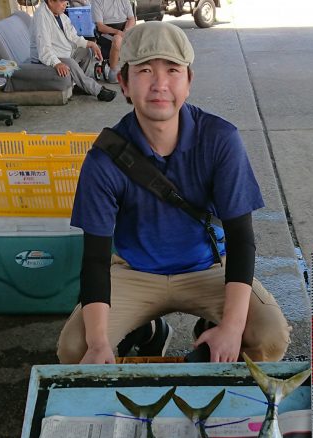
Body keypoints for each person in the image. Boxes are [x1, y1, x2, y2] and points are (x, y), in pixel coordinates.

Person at [57, 21, 291, 365]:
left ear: (189, 81)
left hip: (209, 266)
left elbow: (242, 239)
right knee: (74, 350)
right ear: (123, 82)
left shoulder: (220, 140)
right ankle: (149, 331)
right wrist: (96, 342)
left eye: (172, 70)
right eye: (145, 70)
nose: (160, 84)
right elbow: (94, 258)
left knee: (269, 338)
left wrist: (231, 326)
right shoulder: (103, 158)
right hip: (135, 270)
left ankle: (209, 329)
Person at [30, 0, 117, 102]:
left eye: (66, 1)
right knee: (71, 63)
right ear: (50, 1)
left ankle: (79, 86)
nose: (65, 4)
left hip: (62, 51)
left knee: (86, 51)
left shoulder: (60, 15)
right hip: (47, 56)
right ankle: (97, 91)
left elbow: (73, 37)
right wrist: (57, 63)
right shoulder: (41, 16)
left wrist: (91, 44)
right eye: (62, 1)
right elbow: (44, 49)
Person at [91, 0, 135, 84]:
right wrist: (118, 32)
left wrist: (125, 31)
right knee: (118, 39)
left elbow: (131, 19)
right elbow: (100, 26)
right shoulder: (97, 2)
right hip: (106, 32)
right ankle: (113, 72)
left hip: (124, 29)